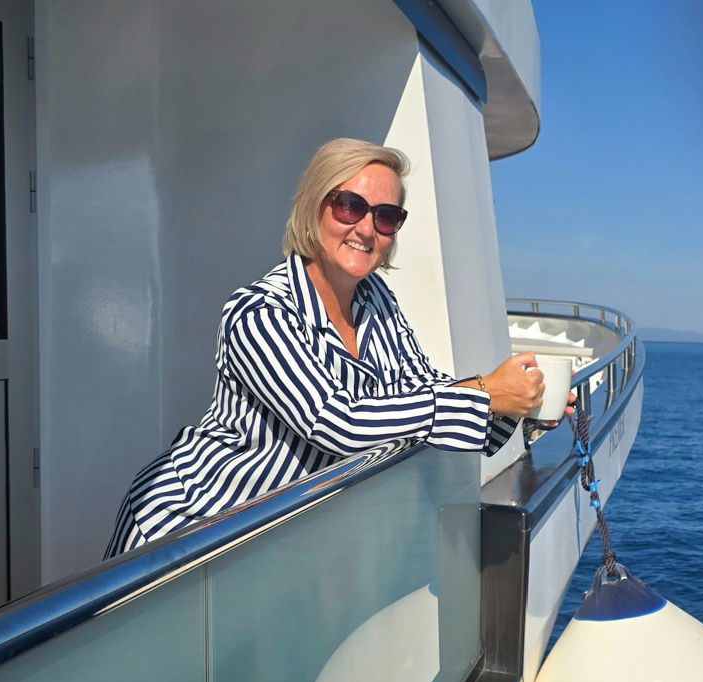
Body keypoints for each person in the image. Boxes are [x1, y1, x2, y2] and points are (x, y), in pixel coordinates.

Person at [105, 138, 545, 558]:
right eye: (350, 206)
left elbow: (423, 390)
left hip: (266, 541)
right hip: (183, 530)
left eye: (387, 216)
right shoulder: (259, 313)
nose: (367, 228)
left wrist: (516, 405)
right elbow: (335, 420)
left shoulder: (377, 301)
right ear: (314, 207)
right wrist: (486, 392)